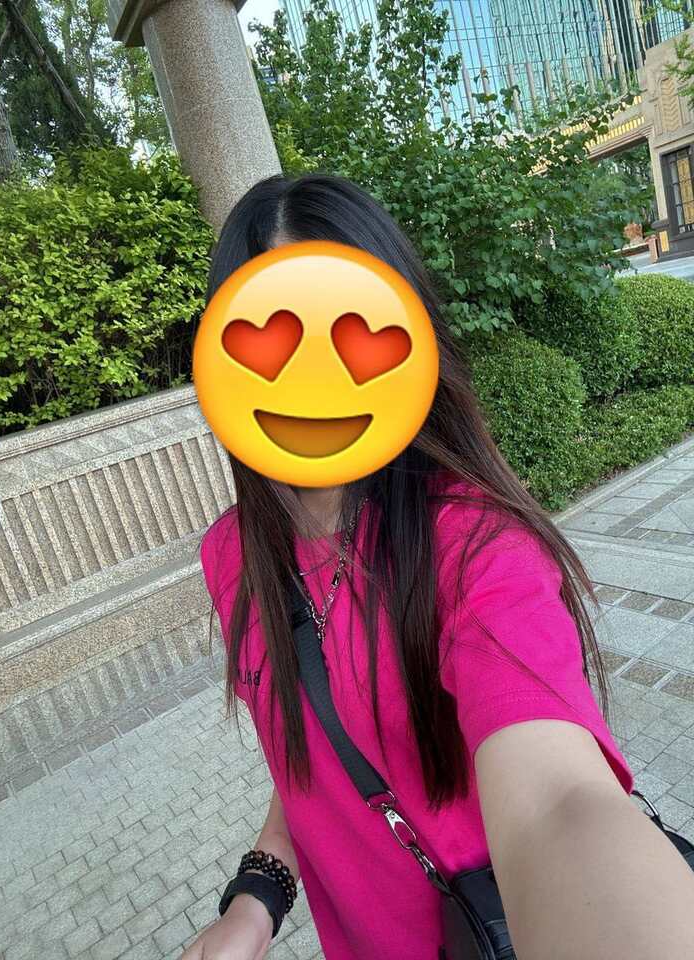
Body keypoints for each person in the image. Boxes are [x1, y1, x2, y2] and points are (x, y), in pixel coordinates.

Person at [184, 173, 694, 960]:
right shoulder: (231, 557)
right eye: (274, 338)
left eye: (354, 333)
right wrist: (256, 901)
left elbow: (560, 802)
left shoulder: (477, 550)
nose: (316, 376)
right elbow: (311, 763)